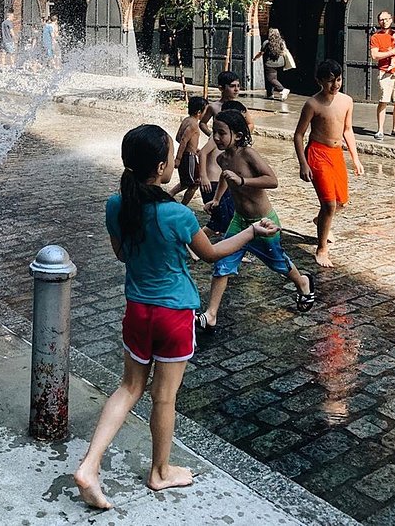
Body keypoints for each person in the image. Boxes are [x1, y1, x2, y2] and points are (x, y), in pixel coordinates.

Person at [73, 123, 279, 510]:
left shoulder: (116, 205)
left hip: (137, 310)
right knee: (164, 398)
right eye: (172, 156)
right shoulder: (178, 215)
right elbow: (212, 255)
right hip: (174, 314)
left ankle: (89, 465)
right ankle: (160, 472)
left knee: (128, 388)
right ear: (161, 167)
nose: (175, 161)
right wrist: (252, 232)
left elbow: (123, 254)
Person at [199, 110, 315, 332]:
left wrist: (242, 180)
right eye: (214, 132)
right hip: (239, 221)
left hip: (263, 222)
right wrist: (216, 199)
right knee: (222, 262)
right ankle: (211, 314)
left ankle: (302, 282)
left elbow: (272, 180)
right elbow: (225, 177)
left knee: (277, 262)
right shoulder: (222, 158)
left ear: (238, 135)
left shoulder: (248, 154)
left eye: (222, 133)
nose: (216, 138)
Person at [293, 60, 364, 269]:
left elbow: (348, 130)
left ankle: (321, 219)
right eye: (330, 81)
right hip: (317, 153)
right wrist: (303, 163)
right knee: (329, 204)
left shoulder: (347, 101)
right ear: (320, 81)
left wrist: (355, 158)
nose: (335, 85)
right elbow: (298, 135)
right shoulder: (313, 104)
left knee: (341, 202)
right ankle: (322, 248)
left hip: (336, 153)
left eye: (338, 80)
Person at [200, 100, 252, 234]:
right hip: (212, 182)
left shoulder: (234, 148)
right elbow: (203, 153)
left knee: (227, 218)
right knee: (220, 221)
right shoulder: (218, 139)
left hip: (222, 184)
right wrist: (203, 177)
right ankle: (195, 242)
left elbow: (226, 171)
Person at [370, 11, 395, 140]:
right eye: (381, 19)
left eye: (386, 19)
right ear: (378, 22)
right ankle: (380, 130)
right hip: (385, 72)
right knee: (384, 100)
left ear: (391, 20)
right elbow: (375, 55)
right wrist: (392, 52)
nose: (384, 21)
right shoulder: (376, 37)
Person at [169, 97, 207, 207]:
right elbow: (183, 140)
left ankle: (170, 194)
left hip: (189, 154)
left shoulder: (186, 120)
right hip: (189, 157)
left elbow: (178, 138)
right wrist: (178, 158)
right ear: (199, 112)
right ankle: (182, 206)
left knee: (186, 182)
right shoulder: (194, 124)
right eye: (205, 111)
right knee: (195, 183)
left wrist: (193, 148)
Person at [253, 28, 291, 100]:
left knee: (271, 79)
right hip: (280, 63)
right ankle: (270, 94)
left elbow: (261, 53)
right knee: (272, 78)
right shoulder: (282, 42)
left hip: (270, 64)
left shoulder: (267, 43)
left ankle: (283, 89)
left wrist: (255, 58)